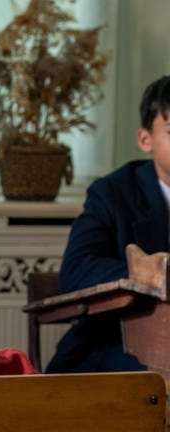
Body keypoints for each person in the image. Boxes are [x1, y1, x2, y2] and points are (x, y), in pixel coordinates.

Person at [45, 76, 170, 373]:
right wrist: (151, 271)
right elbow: (76, 272)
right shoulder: (113, 193)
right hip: (117, 341)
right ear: (145, 139)